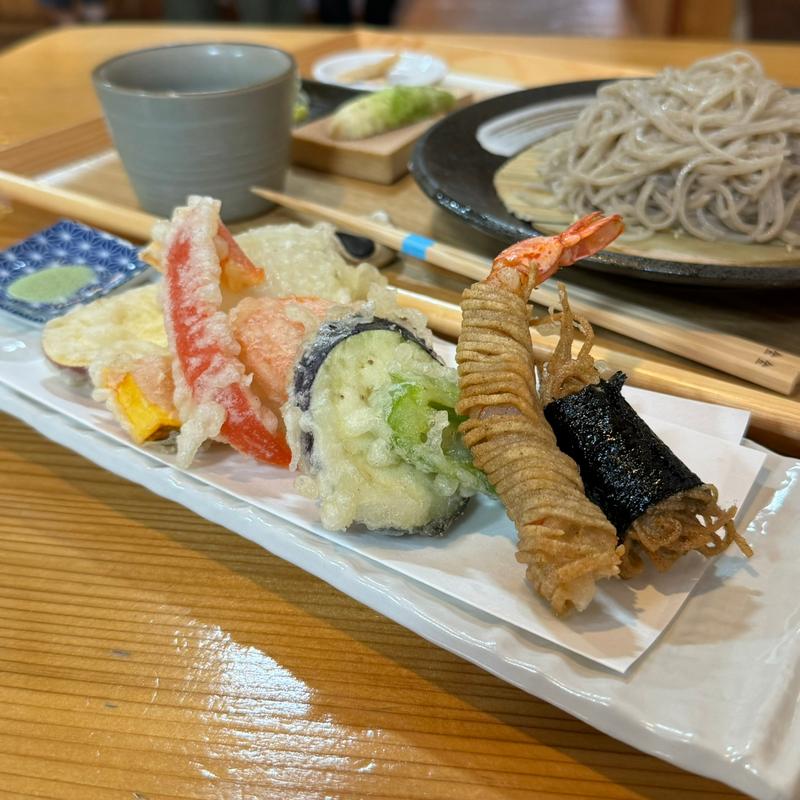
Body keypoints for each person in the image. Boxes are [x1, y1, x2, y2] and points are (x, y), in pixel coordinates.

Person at [38, 0, 108, 24]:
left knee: (96, 15)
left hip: (88, 7)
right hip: (63, 13)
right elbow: (48, 9)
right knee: (70, 24)